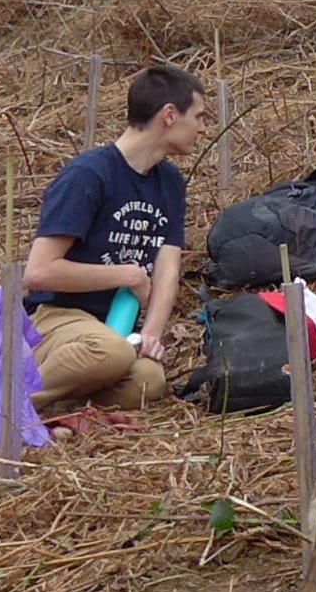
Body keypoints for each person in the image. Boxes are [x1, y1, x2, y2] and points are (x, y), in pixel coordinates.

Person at [23, 63, 206, 410]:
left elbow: (167, 269)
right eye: (197, 116)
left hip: (112, 329)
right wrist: (129, 274)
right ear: (169, 114)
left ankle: (58, 408)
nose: (202, 128)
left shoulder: (170, 183)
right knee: (110, 352)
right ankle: (5, 414)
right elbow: (39, 272)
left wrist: (151, 332)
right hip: (58, 317)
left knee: (149, 381)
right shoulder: (88, 176)